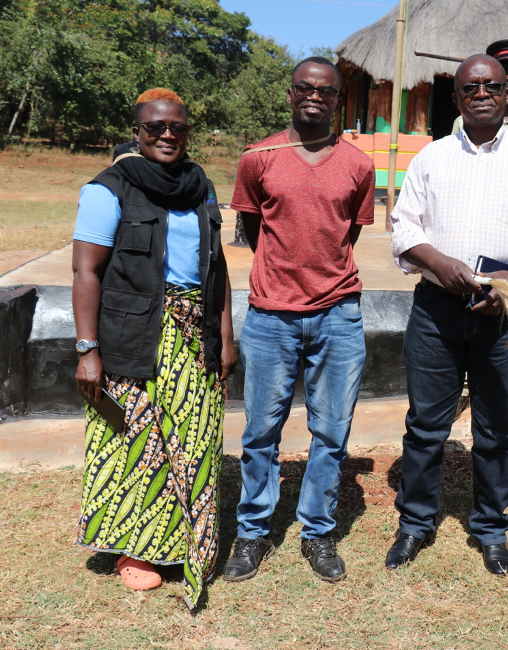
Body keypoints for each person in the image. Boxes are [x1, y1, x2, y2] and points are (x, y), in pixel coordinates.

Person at [387, 54, 508, 576]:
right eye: (472, 87)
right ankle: (416, 524)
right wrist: (438, 261)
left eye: (493, 85)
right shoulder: (431, 158)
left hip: (505, 308)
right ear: (458, 97)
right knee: (426, 425)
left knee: (495, 427)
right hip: (436, 311)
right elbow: (404, 230)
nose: (483, 93)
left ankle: (490, 528)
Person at [72, 87, 236, 610]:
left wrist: (227, 336)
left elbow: (219, 269)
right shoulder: (109, 188)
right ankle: (137, 551)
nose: (167, 135)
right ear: (137, 131)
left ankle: (187, 540)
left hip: (196, 334)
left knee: (197, 435)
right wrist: (87, 349)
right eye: (155, 128)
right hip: (133, 332)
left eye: (178, 128)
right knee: (136, 440)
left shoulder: (201, 186)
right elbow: (86, 269)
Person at [223, 56, 375, 583]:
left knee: (330, 432)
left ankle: (317, 531)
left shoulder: (358, 165)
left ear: (338, 101)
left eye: (327, 92)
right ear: (289, 95)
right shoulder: (258, 157)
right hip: (270, 317)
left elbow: (345, 234)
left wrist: (320, 278)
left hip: (339, 313)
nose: (315, 97)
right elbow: (251, 224)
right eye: (305, 89)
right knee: (261, 431)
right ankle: (252, 533)